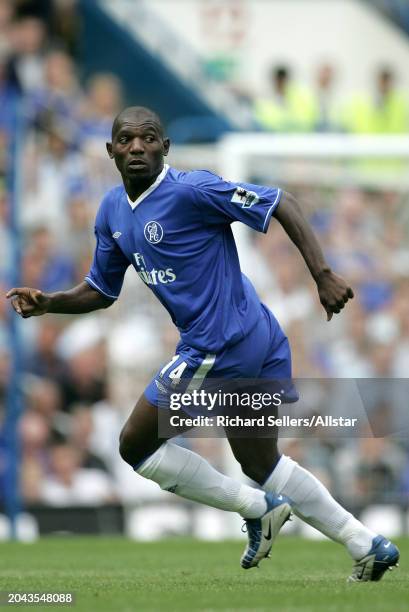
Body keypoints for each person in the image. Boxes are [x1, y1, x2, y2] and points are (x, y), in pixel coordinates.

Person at [7, 106, 399, 580]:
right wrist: (50, 302)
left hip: (221, 345)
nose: (137, 147)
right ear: (110, 151)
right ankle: (366, 543)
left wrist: (321, 274)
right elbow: (101, 290)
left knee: (136, 445)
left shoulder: (193, 190)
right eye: (126, 140)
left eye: (148, 138)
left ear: (165, 147)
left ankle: (255, 509)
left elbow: (281, 202)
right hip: (247, 336)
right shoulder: (113, 210)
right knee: (261, 462)